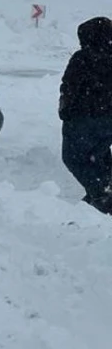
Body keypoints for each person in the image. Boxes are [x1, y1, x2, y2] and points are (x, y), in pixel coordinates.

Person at [59, 16, 112, 214]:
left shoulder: (82, 58)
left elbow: (69, 86)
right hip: (108, 120)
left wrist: (65, 111)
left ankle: (101, 194)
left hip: (82, 118)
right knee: (99, 156)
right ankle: (99, 195)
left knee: (73, 158)